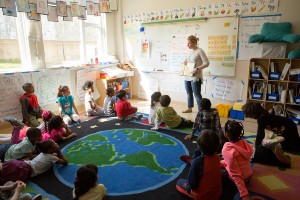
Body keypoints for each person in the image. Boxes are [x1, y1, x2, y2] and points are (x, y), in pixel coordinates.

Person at [176, 129, 222, 200]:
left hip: (202, 197)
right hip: (217, 194)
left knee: (179, 183)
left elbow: (192, 185)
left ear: (199, 146)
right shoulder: (217, 156)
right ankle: (193, 161)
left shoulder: (198, 163)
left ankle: (192, 161)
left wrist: (194, 163)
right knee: (198, 164)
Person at [0, 139, 68, 185]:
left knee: (5, 168)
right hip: (25, 169)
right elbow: (65, 162)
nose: (56, 144)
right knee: (6, 176)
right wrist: (59, 151)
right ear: (50, 150)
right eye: (54, 144)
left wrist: (56, 151)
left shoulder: (43, 153)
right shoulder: (52, 157)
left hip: (22, 163)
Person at [221, 120, 253, 200]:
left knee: (217, 175)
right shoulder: (244, 143)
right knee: (223, 165)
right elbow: (235, 162)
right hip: (248, 177)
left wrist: (244, 194)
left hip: (239, 181)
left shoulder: (228, 149)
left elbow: (235, 174)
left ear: (227, 134)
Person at [182, 35, 209, 113]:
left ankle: (201, 110)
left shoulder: (200, 51)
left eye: (189, 43)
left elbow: (206, 63)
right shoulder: (190, 51)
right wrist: (185, 61)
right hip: (188, 75)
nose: (187, 45)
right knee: (188, 93)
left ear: (194, 42)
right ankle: (190, 108)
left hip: (196, 76)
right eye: (187, 43)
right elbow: (188, 60)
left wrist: (197, 68)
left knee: (197, 94)